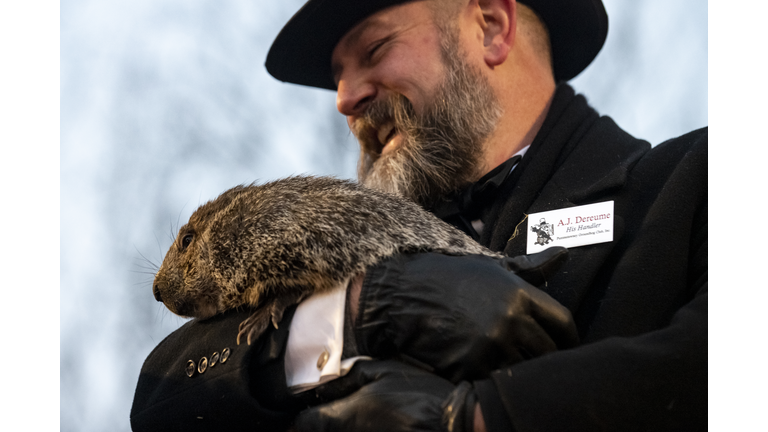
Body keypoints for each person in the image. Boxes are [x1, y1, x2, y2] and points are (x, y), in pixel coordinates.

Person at [130, 0, 707, 431]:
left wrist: (474, 419)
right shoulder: (348, 256)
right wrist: (357, 312)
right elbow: (164, 399)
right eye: (337, 76)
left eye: (374, 49)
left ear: (492, 28)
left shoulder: (698, 182)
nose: (343, 98)